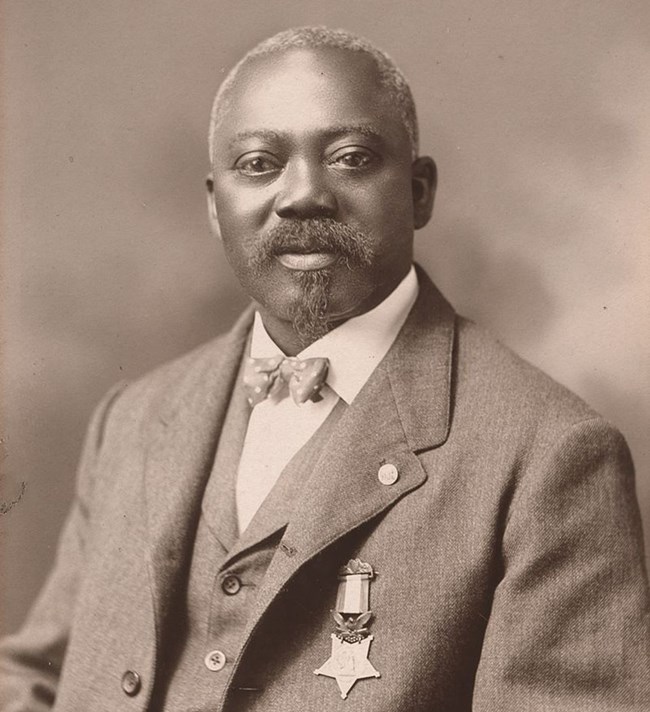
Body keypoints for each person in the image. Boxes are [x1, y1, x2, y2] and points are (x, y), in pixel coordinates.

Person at [1, 25, 648, 712]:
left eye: (351, 157)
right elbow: (36, 677)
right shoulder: (130, 421)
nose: (303, 194)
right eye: (258, 164)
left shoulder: (552, 456)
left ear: (419, 191)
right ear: (214, 205)